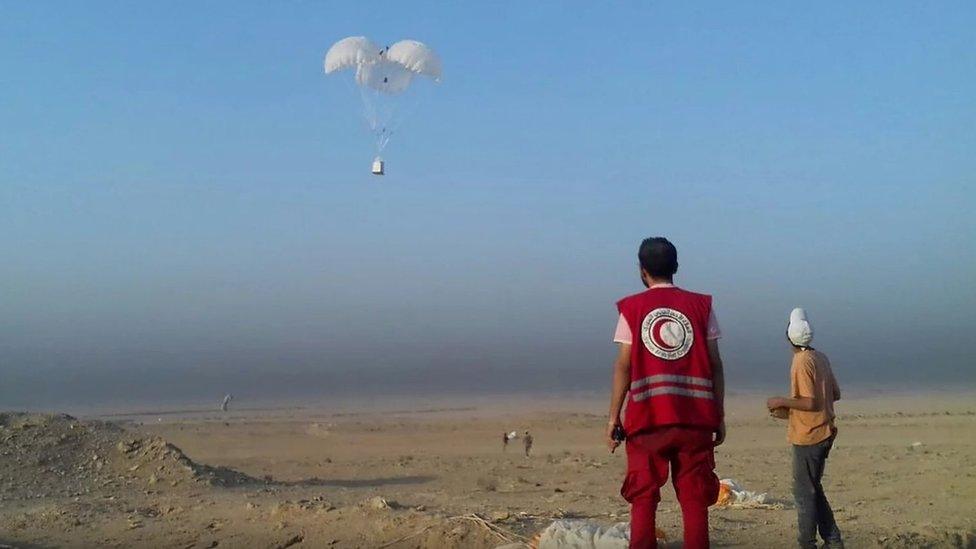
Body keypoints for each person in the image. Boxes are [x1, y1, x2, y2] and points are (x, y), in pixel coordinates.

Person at [607, 237, 725, 549]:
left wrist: (612, 418)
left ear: (642, 270)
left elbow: (623, 367)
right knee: (694, 498)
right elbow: (715, 365)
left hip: (648, 421)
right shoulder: (701, 306)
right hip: (696, 420)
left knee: (643, 497)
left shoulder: (631, 308)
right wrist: (718, 415)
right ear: (676, 267)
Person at [767, 308, 844, 549]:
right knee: (813, 489)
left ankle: (807, 543)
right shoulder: (820, 357)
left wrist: (781, 402)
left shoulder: (801, 361)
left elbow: (810, 402)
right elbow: (835, 394)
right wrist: (791, 410)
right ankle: (833, 541)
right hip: (824, 431)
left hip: (809, 436)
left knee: (804, 494)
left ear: (789, 336)